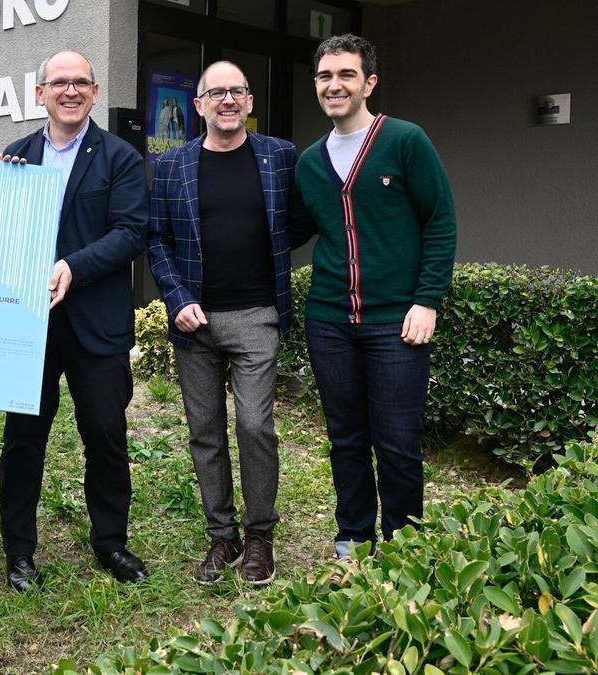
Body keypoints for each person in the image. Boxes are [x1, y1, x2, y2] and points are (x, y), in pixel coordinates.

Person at [290, 35, 457, 557]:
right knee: (345, 438)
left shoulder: (405, 141)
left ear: (369, 83)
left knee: (398, 443)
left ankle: (404, 546)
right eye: (324, 76)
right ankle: (354, 538)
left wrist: (427, 300)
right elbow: (289, 228)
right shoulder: (311, 162)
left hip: (396, 321)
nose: (334, 85)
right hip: (329, 321)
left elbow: (440, 222)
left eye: (346, 75)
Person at [0, 49, 149, 591]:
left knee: (105, 435)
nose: (70, 90)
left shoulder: (120, 157)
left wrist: (72, 267)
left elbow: (132, 232)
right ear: (39, 94)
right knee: (23, 441)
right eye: (58, 82)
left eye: (80, 82)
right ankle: (19, 551)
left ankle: (111, 542)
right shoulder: (15, 156)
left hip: (96, 324)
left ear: (94, 91)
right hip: (29, 326)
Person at [148, 61, 297, 585]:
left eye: (237, 91)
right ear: (199, 104)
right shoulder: (172, 166)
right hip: (196, 321)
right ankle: (222, 536)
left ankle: (260, 536)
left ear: (250, 102)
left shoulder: (280, 157)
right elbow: (158, 239)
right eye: (217, 92)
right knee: (204, 431)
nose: (227, 100)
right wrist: (177, 297)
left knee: (255, 425)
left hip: (258, 314)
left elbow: (298, 220)